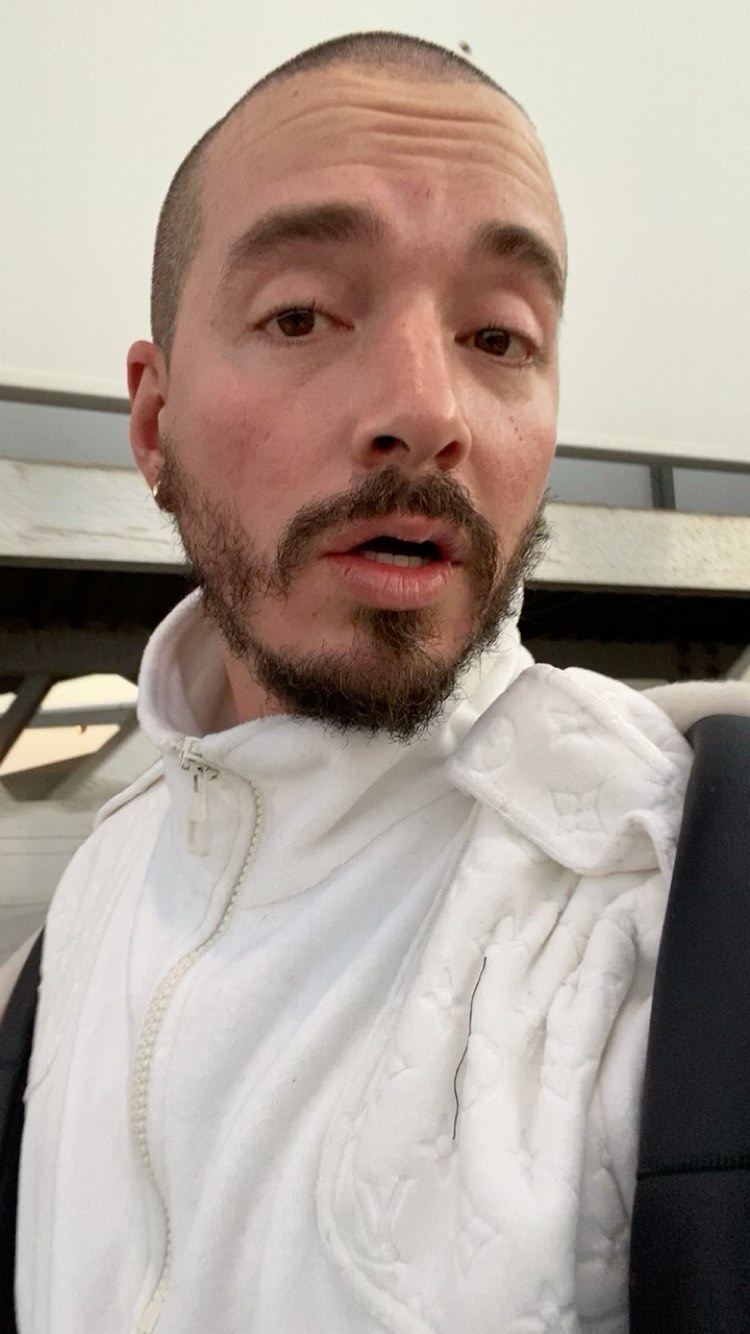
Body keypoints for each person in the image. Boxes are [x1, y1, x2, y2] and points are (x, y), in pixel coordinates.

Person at [7, 30, 750, 1334]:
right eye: (300, 315)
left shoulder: (683, 890)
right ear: (154, 421)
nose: (426, 409)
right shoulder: (82, 914)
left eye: (498, 335)